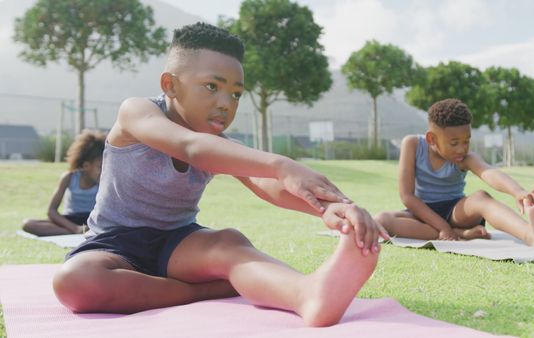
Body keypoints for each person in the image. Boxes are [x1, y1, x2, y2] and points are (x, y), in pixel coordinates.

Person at [52, 22, 389, 327]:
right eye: (212, 87)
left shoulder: (220, 145)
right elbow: (189, 147)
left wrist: (331, 209)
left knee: (229, 244)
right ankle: (202, 291)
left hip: (180, 244)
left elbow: (265, 183)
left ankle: (308, 294)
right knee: (73, 282)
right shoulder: (136, 112)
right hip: (114, 243)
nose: (226, 103)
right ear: (170, 85)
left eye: (236, 93)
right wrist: (281, 164)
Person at [375, 98, 534, 247]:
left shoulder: (466, 158)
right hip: (422, 213)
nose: (461, 149)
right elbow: (407, 196)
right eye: (454, 143)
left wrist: (518, 191)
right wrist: (443, 228)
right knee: (382, 219)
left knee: (481, 197)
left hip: (456, 211)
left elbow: (489, 172)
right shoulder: (412, 144)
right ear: (432, 139)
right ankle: (461, 234)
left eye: (466, 141)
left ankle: (531, 235)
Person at [22, 130, 105, 236]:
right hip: (70, 220)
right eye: (100, 167)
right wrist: (75, 228)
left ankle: (87, 231)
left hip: (93, 220)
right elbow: (51, 211)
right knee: (28, 224)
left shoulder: (105, 180)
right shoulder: (69, 178)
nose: (104, 171)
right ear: (86, 166)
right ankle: (82, 232)